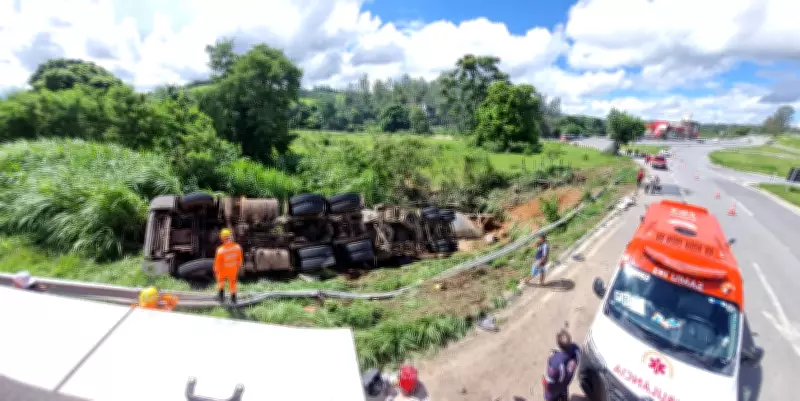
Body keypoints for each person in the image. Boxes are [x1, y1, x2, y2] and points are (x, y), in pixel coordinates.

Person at [542, 329, 581, 401]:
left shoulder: (555, 363)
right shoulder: (576, 350)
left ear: (558, 344)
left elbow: (548, 381)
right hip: (565, 385)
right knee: (564, 396)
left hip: (554, 390)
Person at [214, 228, 243, 305]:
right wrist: (238, 268)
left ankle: (221, 297)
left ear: (222, 238)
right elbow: (239, 260)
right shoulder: (237, 247)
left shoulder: (220, 250)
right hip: (233, 269)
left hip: (223, 270)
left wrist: (216, 270)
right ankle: (233, 299)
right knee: (233, 283)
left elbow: (217, 263)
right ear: (230, 236)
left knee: (221, 282)